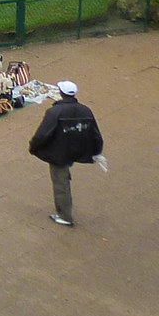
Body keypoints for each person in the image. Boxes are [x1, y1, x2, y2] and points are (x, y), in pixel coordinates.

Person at [29, 80, 105, 226]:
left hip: (59, 152)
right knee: (63, 176)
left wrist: (33, 147)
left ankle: (65, 216)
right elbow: (95, 133)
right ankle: (64, 208)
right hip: (77, 149)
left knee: (60, 183)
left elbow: (43, 134)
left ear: (61, 93)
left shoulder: (54, 112)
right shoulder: (85, 110)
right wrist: (96, 151)